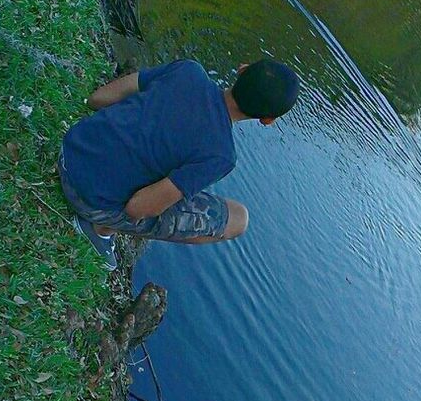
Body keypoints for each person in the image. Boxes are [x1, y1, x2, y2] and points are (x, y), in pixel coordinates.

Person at [59, 58, 299, 270]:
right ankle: (101, 229)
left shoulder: (188, 71)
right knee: (238, 219)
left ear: (242, 70)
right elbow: (138, 208)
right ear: (268, 120)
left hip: (71, 150)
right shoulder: (221, 155)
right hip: (87, 199)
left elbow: (99, 98)